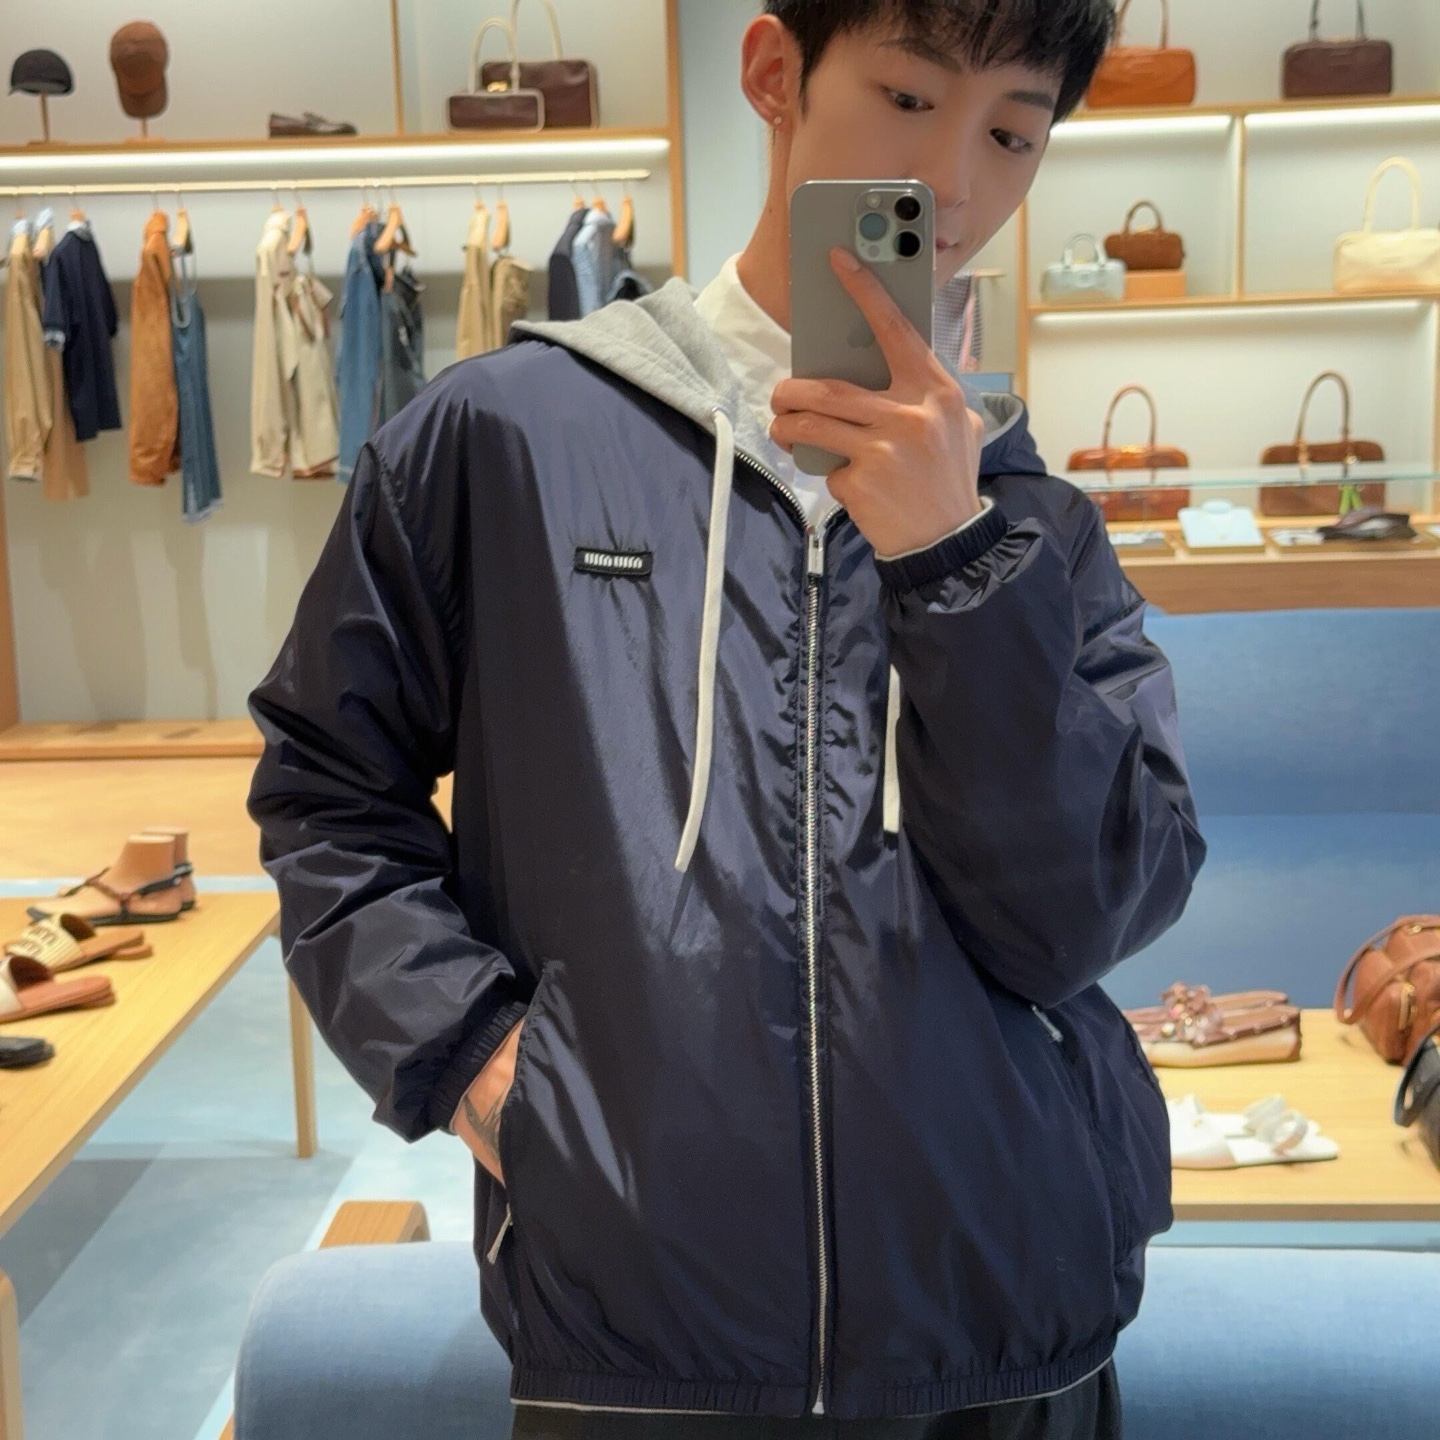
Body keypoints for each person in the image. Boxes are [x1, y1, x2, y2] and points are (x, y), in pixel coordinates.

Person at [246, 1, 1207, 1435]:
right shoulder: (505, 442)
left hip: (1007, 1334)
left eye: (1013, 133)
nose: (953, 183)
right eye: (906, 98)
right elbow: (326, 788)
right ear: (774, 74)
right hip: (636, 1330)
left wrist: (953, 565)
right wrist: (479, 1066)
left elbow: (1083, 919)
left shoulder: (1034, 530)